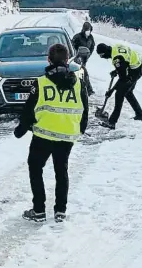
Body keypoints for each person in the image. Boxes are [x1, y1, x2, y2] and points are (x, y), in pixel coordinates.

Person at [13, 43, 89, 223]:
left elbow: (28, 111)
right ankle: (60, 211)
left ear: (48, 60)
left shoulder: (41, 83)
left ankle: (39, 210)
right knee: (61, 171)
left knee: (35, 168)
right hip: (67, 136)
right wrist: (81, 129)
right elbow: (85, 108)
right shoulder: (78, 83)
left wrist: (20, 131)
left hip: (43, 135)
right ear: (67, 60)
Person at [96, 42, 142, 129]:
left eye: (101, 55)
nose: (102, 58)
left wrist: (111, 90)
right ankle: (140, 114)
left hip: (134, 71)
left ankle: (112, 122)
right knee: (128, 92)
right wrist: (117, 70)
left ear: (105, 53)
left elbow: (123, 78)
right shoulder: (115, 48)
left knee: (119, 94)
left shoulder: (117, 59)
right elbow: (124, 64)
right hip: (136, 66)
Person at [71, 22, 95, 96]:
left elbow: (92, 46)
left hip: (85, 58)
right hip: (77, 58)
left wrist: (88, 54)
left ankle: (84, 88)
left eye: (90, 30)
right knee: (82, 72)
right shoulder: (77, 37)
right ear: (84, 29)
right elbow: (72, 46)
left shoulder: (91, 38)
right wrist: (76, 55)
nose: (89, 31)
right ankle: (88, 89)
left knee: (82, 73)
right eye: (87, 30)